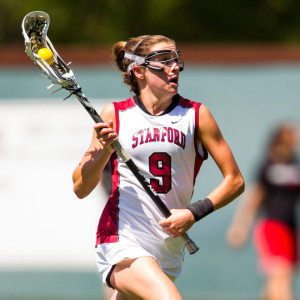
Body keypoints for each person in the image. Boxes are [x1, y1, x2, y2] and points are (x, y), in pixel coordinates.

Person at [72, 34, 244, 300]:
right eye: (163, 61)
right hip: (122, 237)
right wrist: (104, 152)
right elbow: (80, 187)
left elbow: (235, 180)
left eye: (175, 59)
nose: (174, 67)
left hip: (168, 248)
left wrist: (193, 213)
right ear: (138, 71)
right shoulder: (115, 114)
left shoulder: (196, 115)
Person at [226, 122, 300, 300]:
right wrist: (240, 226)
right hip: (272, 226)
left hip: (291, 227)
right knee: (281, 275)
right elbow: (254, 197)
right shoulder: (267, 165)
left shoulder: (296, 165)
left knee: (276, 280)